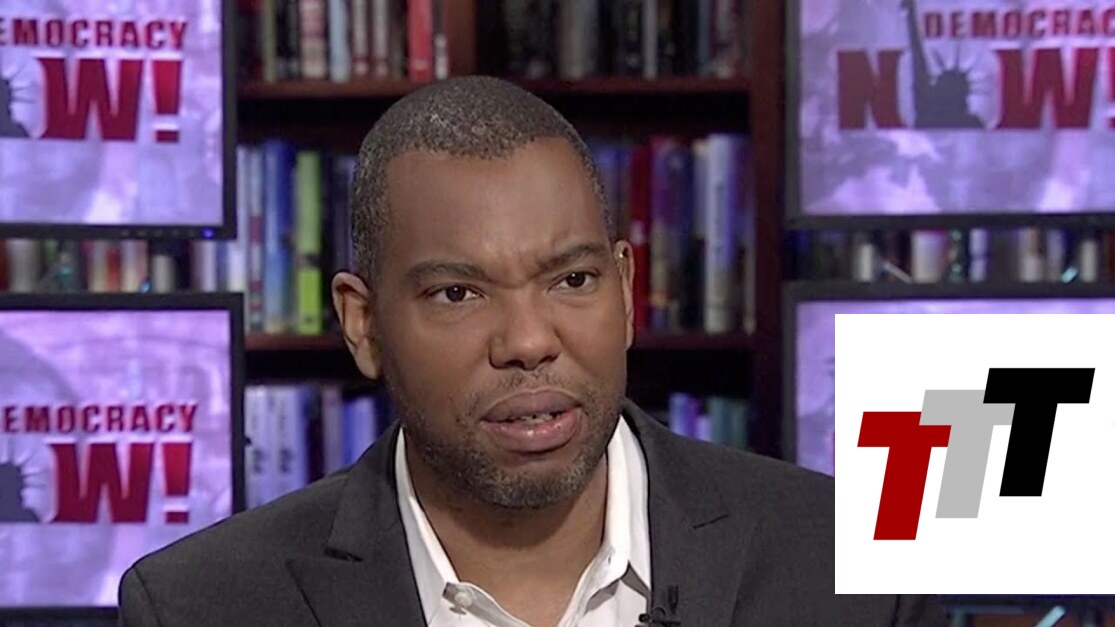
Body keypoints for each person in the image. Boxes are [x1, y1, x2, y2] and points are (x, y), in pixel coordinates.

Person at [118, 76, 948, 626]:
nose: (527, 341)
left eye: (572, 279)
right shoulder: (202, 607)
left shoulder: (847, 568)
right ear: (362, 323)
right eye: (457, 293)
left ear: (625, 288)